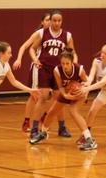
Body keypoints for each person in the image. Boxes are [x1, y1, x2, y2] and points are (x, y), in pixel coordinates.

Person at [29, 48, 97, 151]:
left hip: (80, 93)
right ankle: (43, 133)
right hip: (66, 92)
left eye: (67, 63)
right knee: (52, 112)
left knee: (73, 111)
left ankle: (89, 139)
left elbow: (87, 84)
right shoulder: (57, 70)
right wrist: (65, 95)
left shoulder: (79, 69)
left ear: (72, 62)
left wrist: (81, 92)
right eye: (63, 63)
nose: (65, 66)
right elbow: (60, 87)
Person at [28, 10, 76, 139]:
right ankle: (34, 129)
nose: (56, 23)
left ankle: (62, 127)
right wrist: (35, 59)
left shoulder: (67, 35)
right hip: (44, 69)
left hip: (59, 71)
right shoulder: (42, 33)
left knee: (59, 99)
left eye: (59, 20)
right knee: (42, 97)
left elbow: (73, 53)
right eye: (54, 20)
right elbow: (32, 48)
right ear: (50, 21)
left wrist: (74, 66)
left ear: (62, 21)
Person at [12, 12, 54, 133]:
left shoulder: (55, 36)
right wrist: (19, 59)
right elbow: (23, 46)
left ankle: (39, 118)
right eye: (47, 20)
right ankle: (30, 121)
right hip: (38, 68)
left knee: (48, 95)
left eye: (51, 20)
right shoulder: (39, 33)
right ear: (42, 22)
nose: (49, 22)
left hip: (49, 69)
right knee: (35, 95)